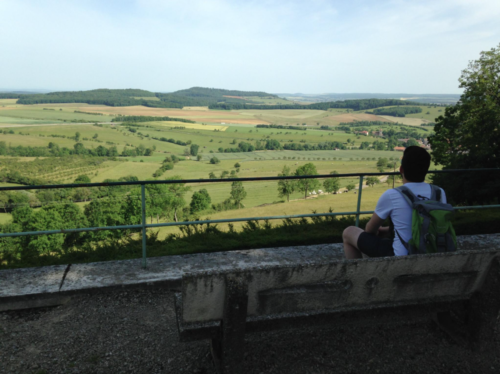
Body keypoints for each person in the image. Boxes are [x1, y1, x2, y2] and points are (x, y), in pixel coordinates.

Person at [342, 146, 447, 259]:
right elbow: (427, 223)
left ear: (401, 169)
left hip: (402, 256)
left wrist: (381, 230)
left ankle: (357, 275)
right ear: (426, 169)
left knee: (349, 232)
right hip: (434, 253)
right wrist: (389, 229)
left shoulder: (392, 195)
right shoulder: (439, 192)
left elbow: (370, 230)